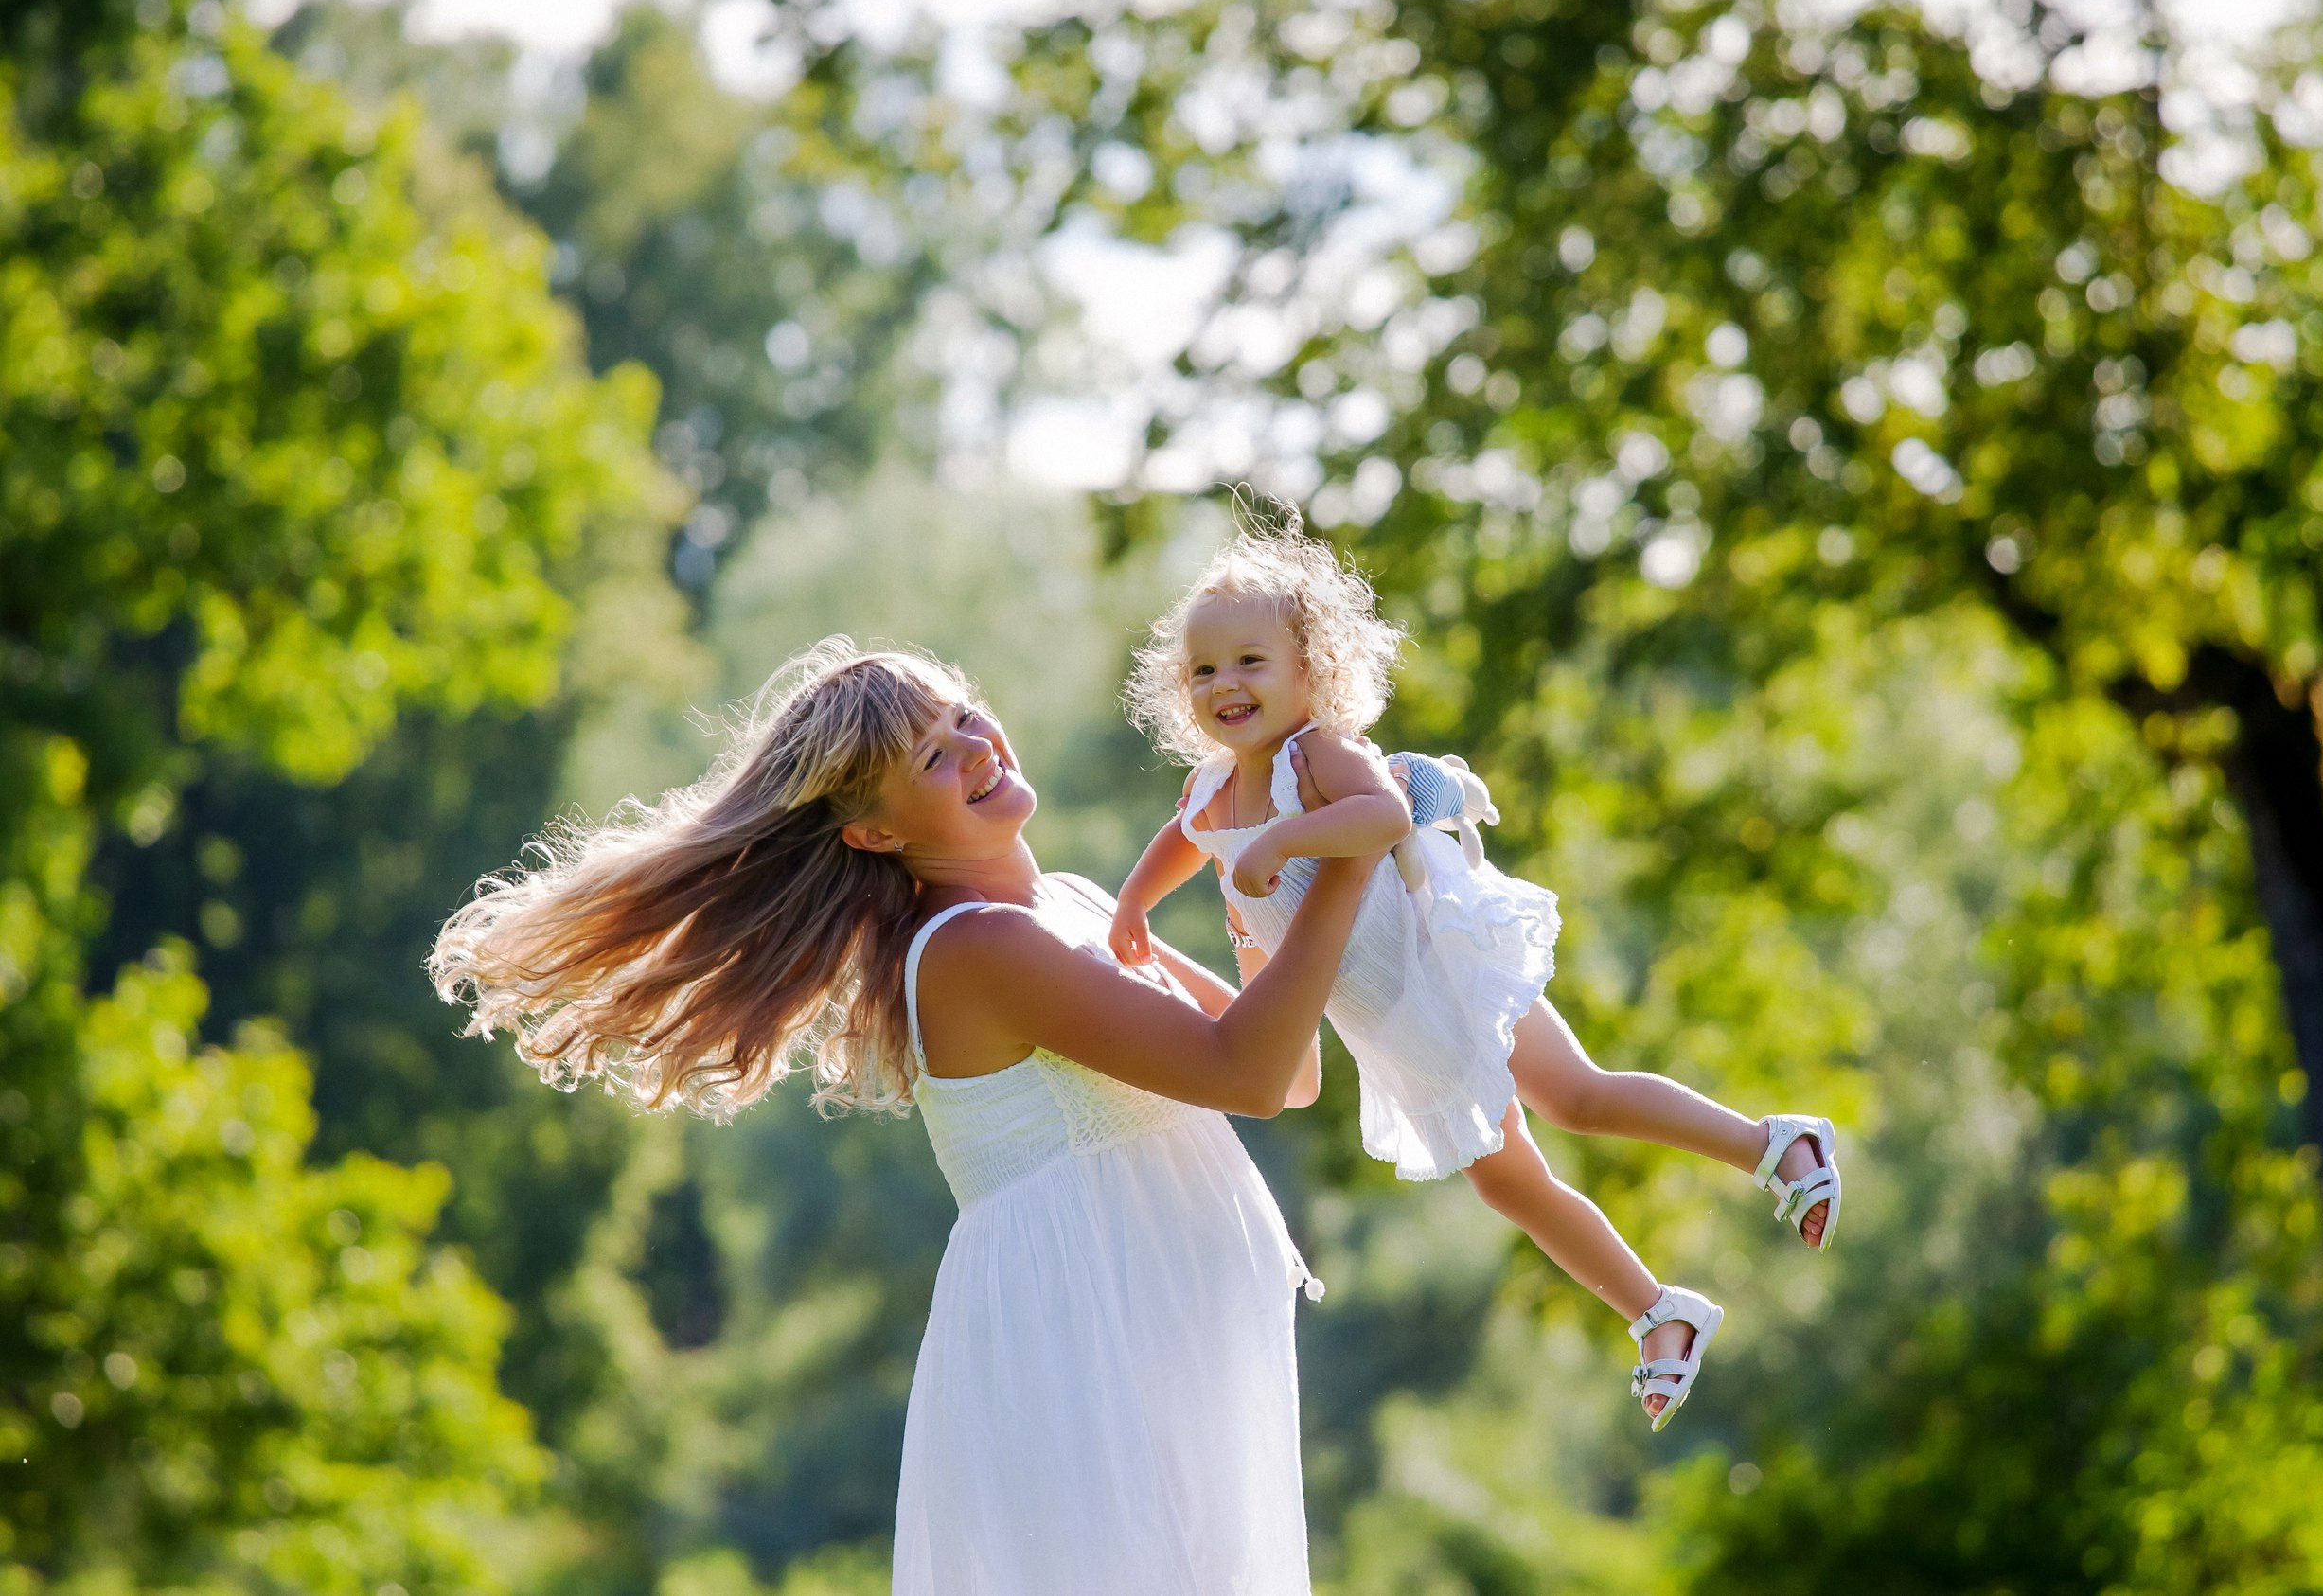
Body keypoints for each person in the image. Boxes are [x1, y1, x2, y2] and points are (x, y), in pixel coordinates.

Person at [431, 638, 1377, 1593]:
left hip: (1162, 1329)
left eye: (963, 714)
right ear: (874, 832)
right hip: (1087, 1337)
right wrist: (1343, 852)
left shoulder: (1073, 903)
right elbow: (1248, 1072)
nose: (974, 746)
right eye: (930, 755)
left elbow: (1289, 1068)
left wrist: (1267, 875)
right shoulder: (978, 944)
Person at [1112, 517, 1846, 1431]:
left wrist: (1284, 838)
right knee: (1505, 1180)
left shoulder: (1316, 757)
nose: (1225, 685)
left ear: (1312, 671)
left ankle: (1774, 1144)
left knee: (1576, 1095)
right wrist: (1135, 904)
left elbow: (1379, 815)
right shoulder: (1213, 790)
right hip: (1392, 1025)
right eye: (1204, 671)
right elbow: (1182, 840)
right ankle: (1659, 1311)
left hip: (1441, 970)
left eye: (1250, 662)